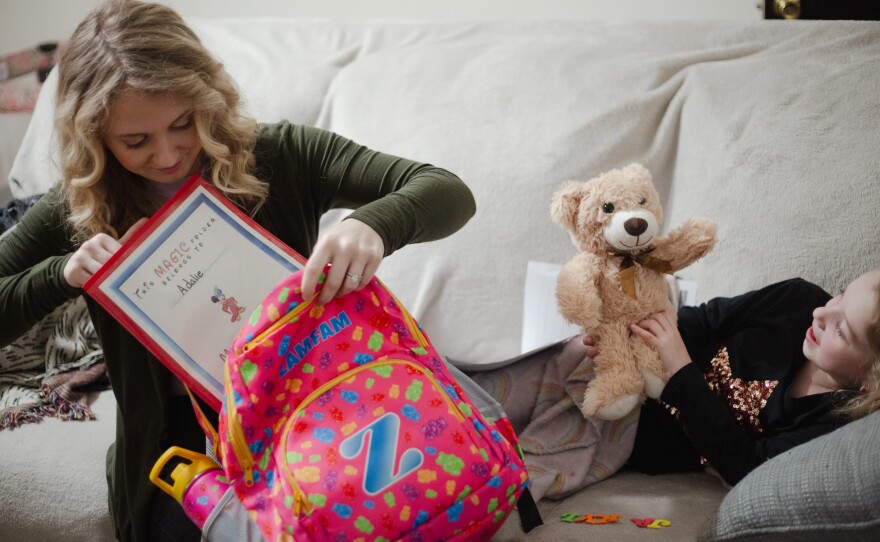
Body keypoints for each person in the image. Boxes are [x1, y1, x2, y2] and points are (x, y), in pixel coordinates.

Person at [0, 1, 475, 540]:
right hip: (175, 441)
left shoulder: (281, 154)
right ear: (96, 138)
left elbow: (448, 191)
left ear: (208, 96)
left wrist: (372, 225)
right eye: (135, 142)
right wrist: (59, 274)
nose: (168, 154)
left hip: (311, 407)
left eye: (183, 123)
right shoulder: (81, 204)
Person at [467, 269, 880, 501]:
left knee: (525, 458)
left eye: (842, 331)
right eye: (841, 294)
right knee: (522, 379)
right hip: (624, 367)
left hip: (636, 439)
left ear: (871, 377)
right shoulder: (794, 301)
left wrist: (679, 373)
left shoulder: (835, 426)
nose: (823, 312)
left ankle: (468, 468)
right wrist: (625, 335)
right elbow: (704, 320)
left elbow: (748, 465)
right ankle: (444, 401)